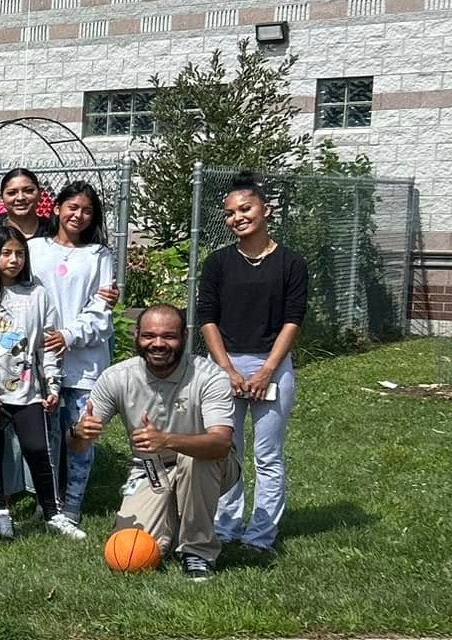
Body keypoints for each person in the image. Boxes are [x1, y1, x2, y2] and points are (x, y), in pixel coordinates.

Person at [73, 305, 241, 581]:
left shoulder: (209, 376)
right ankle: (174, 526)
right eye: (149, 336)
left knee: (192, 459)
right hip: (150, 469)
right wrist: (80, 432)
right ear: (136, 335)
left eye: (168, 336)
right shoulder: (117, 377)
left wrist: (167, 440)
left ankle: (198, 552)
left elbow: (221, 444)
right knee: (129, 552)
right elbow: (77, 447)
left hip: (210, 464)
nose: (158, 344)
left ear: (184, 337)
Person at [199, 175, 308, 556]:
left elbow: (292, 320)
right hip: (224, 367)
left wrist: (266, 372)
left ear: (265, 210)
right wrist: (227, 370)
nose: (237, 218)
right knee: (226, 450)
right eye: (230, 213)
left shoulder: (291, 264)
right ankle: (225, 526)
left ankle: (260, 535)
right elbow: (207, 318)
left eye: (244, 209)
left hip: (271, 366)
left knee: (268, 455)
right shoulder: (217, 264)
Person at [0, 227, 81, 539]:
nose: (13, 260)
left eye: (19, 253)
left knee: (39, 450)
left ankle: (53, 513)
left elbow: (47, 342)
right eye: (6, 253)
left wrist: (52, 386)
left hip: (28, 392)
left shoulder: (37, 293)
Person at [30, 181, 120, 522]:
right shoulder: (34, 249)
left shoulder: (99, 255)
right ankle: (47, 503)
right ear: (56, 208)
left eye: (86, 210)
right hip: (41, 364)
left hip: (85, 365)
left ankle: (71, 507)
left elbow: (102, 310)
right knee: (47, 439)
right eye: (72, 207)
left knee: (81, 436)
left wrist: (69, 335)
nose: (78, 215)